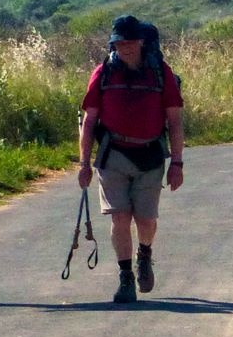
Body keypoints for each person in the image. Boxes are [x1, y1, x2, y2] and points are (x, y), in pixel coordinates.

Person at [77, 15, 185, 303]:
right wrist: (84, 163)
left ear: (141, 43)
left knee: (146, 220)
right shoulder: (103, 73)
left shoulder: (160, 73)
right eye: (118, 43)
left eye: (129, 42)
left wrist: (177, 163)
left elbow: (174, 120)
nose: (123, 48)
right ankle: (126, 277)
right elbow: (89, 121)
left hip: (150, 154)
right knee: (120, 217)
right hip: (113, 154)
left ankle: (145, 253)